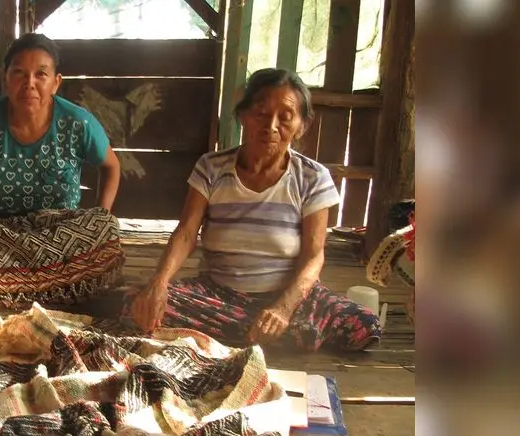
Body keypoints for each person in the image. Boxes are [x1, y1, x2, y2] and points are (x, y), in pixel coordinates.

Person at [128, 68, 382, 352]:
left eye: (285, 118)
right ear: (243, 115)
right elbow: (187, 233)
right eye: (261, 113)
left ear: (301, 126)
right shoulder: (211, 167)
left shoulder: (312, 177)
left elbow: (313, 256)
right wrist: (160, 282)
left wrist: (284, 309)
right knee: (137, 303)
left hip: (288, 295)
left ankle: (244, 331)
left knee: (364, 325)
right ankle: (271, 335)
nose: (271, 126)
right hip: (218, 294)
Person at [0, 33, 125, 309]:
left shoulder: (78, 123)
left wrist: (101, 212)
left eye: (41, 74)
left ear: (56, 83)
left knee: (107, 228)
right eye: (19, 73)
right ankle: (55, 288)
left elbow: (111, 167)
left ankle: (12, 288)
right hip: (0, 231)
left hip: (60, 230)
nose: (29, 84)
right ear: (6, 77)